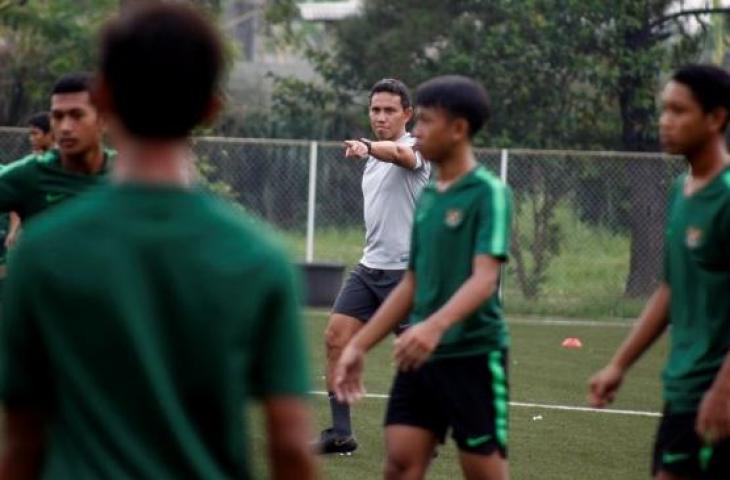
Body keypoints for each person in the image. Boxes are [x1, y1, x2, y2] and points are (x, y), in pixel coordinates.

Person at [0, 4, 316, 480]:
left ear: (103, 97)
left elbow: (22, 444)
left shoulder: (41, 253)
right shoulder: (260, 258)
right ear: (213, 107)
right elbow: (291, 449)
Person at [335, 75, 512, 480]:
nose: (418, 132)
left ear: (459, 129)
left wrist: (431, 327)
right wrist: (358, 346)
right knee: (399, 463)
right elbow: (414, 281)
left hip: (472, 355)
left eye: (427, 122)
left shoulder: (489, 193)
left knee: (482, 469)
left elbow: (484, 280)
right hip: (423, 351)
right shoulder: (432, 196)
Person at [589, 64, 730, 480]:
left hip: (718, 392)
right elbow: (670, 290)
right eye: (663, 110)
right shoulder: (681, 191)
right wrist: (619, 364)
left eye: (678, 111)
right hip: (684, 389)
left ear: (716, 118)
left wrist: (724, 391)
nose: (665, 122)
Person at [315, 78, 431, 455]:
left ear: (407, 115)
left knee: (415, 357)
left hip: (409, 273)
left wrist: (367, 146)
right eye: (375, 110)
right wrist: (368, 150)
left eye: (389, 110)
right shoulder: (371, 160)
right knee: (335, 338)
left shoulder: (416, 147)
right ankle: (340, 433)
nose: (380, 117)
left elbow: (398, 155)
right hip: (369, 270)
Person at [0, 73, 112, 223]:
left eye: (77, 115)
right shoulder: (32, 174)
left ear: (103, 121)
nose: (65, 127)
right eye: (58, 117)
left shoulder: (130, 175)